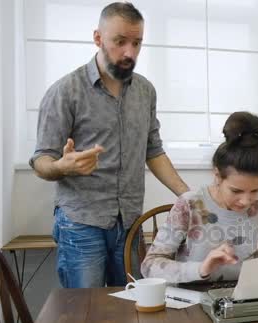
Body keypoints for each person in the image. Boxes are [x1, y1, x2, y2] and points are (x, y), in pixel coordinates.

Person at [29, 2, 189, 288]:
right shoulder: (65, 91)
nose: (130, 52)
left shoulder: (145, 91)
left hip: (129, 223)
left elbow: (153, 150)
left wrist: (187, 195)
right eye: (120, 41)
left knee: (133, 313)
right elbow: (41, 160)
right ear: (98, 38)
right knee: (84, 314)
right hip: (81, 224)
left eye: (137, 43)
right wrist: (61, 166)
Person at [141, 111, 258, 283]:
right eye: (236, 191)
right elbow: (149, 266)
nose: (246, 201)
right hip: (193, 298)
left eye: (254, 191)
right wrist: (201, 269)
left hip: (248, 299)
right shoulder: (190, 205)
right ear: (217, 176)